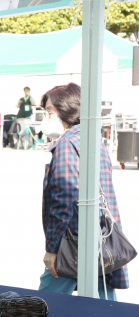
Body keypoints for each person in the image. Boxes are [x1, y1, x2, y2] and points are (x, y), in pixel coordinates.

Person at [39, 83, 128, 300]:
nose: (46, 118)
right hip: (99, 236)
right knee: (104, 301)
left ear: (68, 109)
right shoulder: (91, 139)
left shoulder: (67, 143)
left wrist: (52, 249)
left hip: (73, 241)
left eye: (50, 112)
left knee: (46, 304)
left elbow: (64, 200)